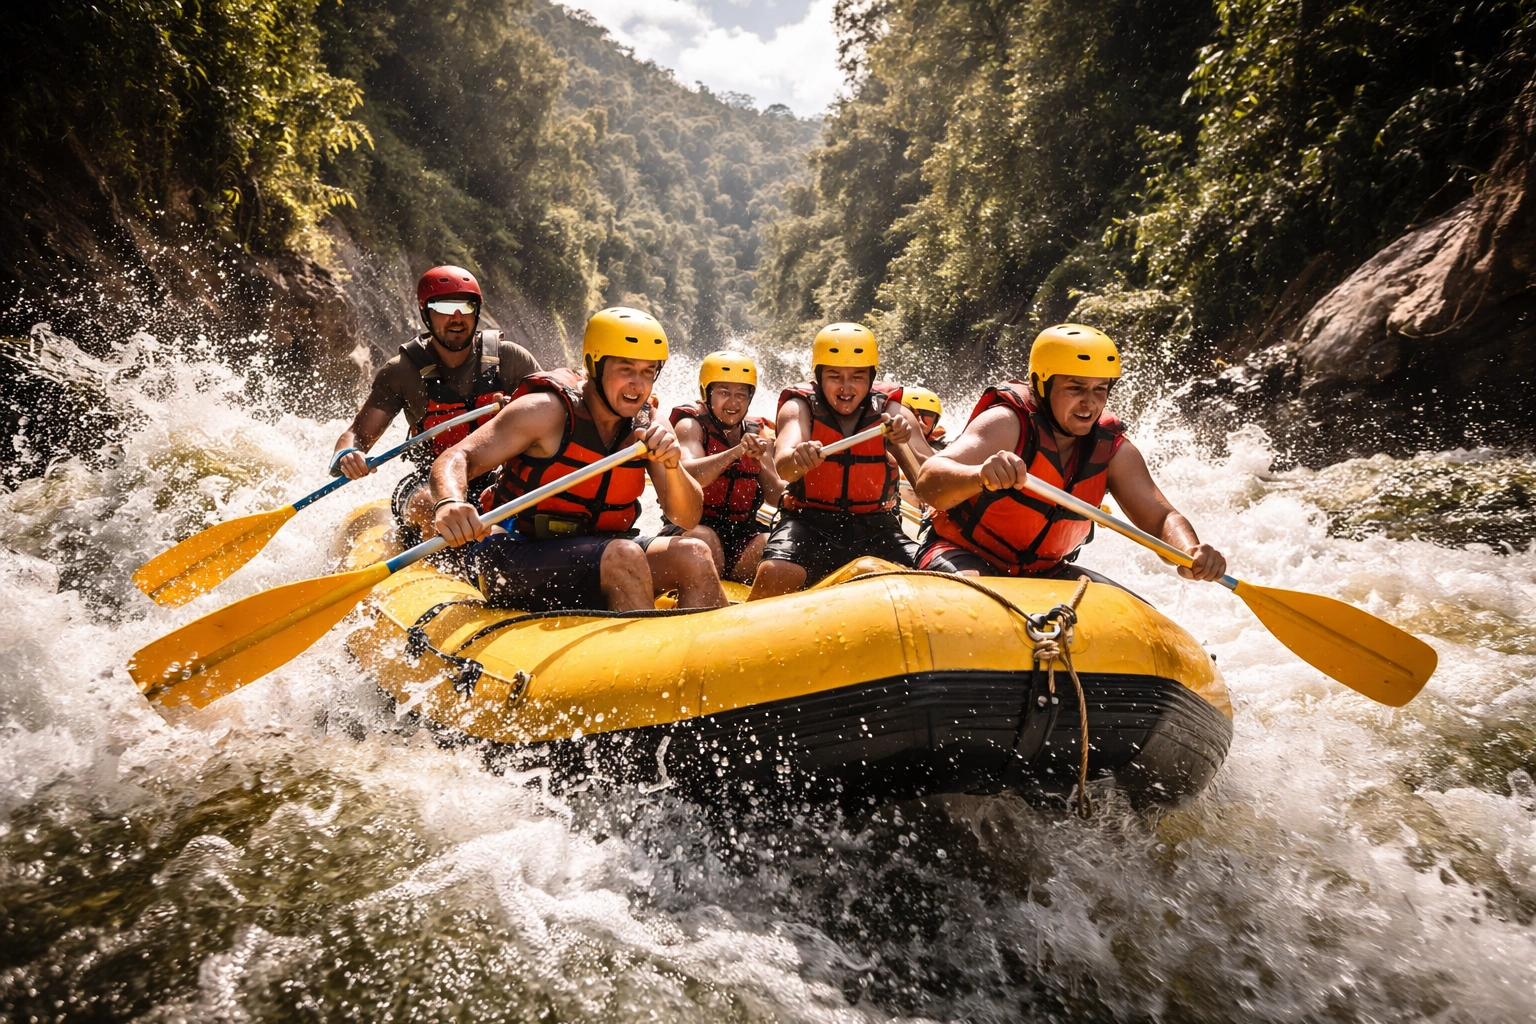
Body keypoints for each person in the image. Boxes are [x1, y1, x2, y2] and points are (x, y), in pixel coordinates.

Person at [428, 307, 727, 612]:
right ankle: (644, 653)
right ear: (592, 365)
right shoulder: (545, 411)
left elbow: (687, 518)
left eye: (648, 371)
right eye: (626, 369)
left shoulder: (651, 425)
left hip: (602, 554)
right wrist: (450, 502)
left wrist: (673, 466)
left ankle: (711, 657)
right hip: (514, 554)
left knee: (694, 553)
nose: (638, 386)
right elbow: (458, 456)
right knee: (624, 556)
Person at [914, 324, 1226, 590]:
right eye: (1075, 388)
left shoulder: (1114, 450)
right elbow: (928, 482)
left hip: (1045, 572)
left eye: (1100, 390)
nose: (1089, 404)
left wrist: (1188, 550)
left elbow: (1161, 519)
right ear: (1042, 385)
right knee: (976, 598)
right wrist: (979, 475)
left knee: (1139, 620)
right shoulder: (1007, 423)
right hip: (962, 554)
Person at [330, 265, 541, 539]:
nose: (456, 317)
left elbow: (556, 414)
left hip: (500, 480)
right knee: (425, 504)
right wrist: (347, 455)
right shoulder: (401, 372)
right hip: (429, 483)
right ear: (426, 313)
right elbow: (356, 434)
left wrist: (523, 409)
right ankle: (441, 569)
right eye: (443, 306)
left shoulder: (510, 359)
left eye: (465, 306)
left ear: (476, 311)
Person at [748, 323, 935, 599]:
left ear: (871, 377)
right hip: (808, 522)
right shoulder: (799, 406)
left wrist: (902, 445)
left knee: (931, 574)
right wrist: (800, 458)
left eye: (857, 376)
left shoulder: (893, 413)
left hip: (878, 526)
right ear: (819, 376)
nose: (846, 387)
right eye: (835, 376)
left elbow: (933, 483)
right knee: (776, 571)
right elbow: (784, 465)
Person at [663, 351, 784, 582]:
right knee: (705, 538)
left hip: (741, 534)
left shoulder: (756, 433)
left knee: (771, 543)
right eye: (724, 393)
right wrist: (737, 452)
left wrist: (759, 462)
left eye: (741, 394)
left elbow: (776, 496)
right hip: (690, 529)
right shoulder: (691, 425)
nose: (733, 402)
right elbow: (690, 474)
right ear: (706, 393)